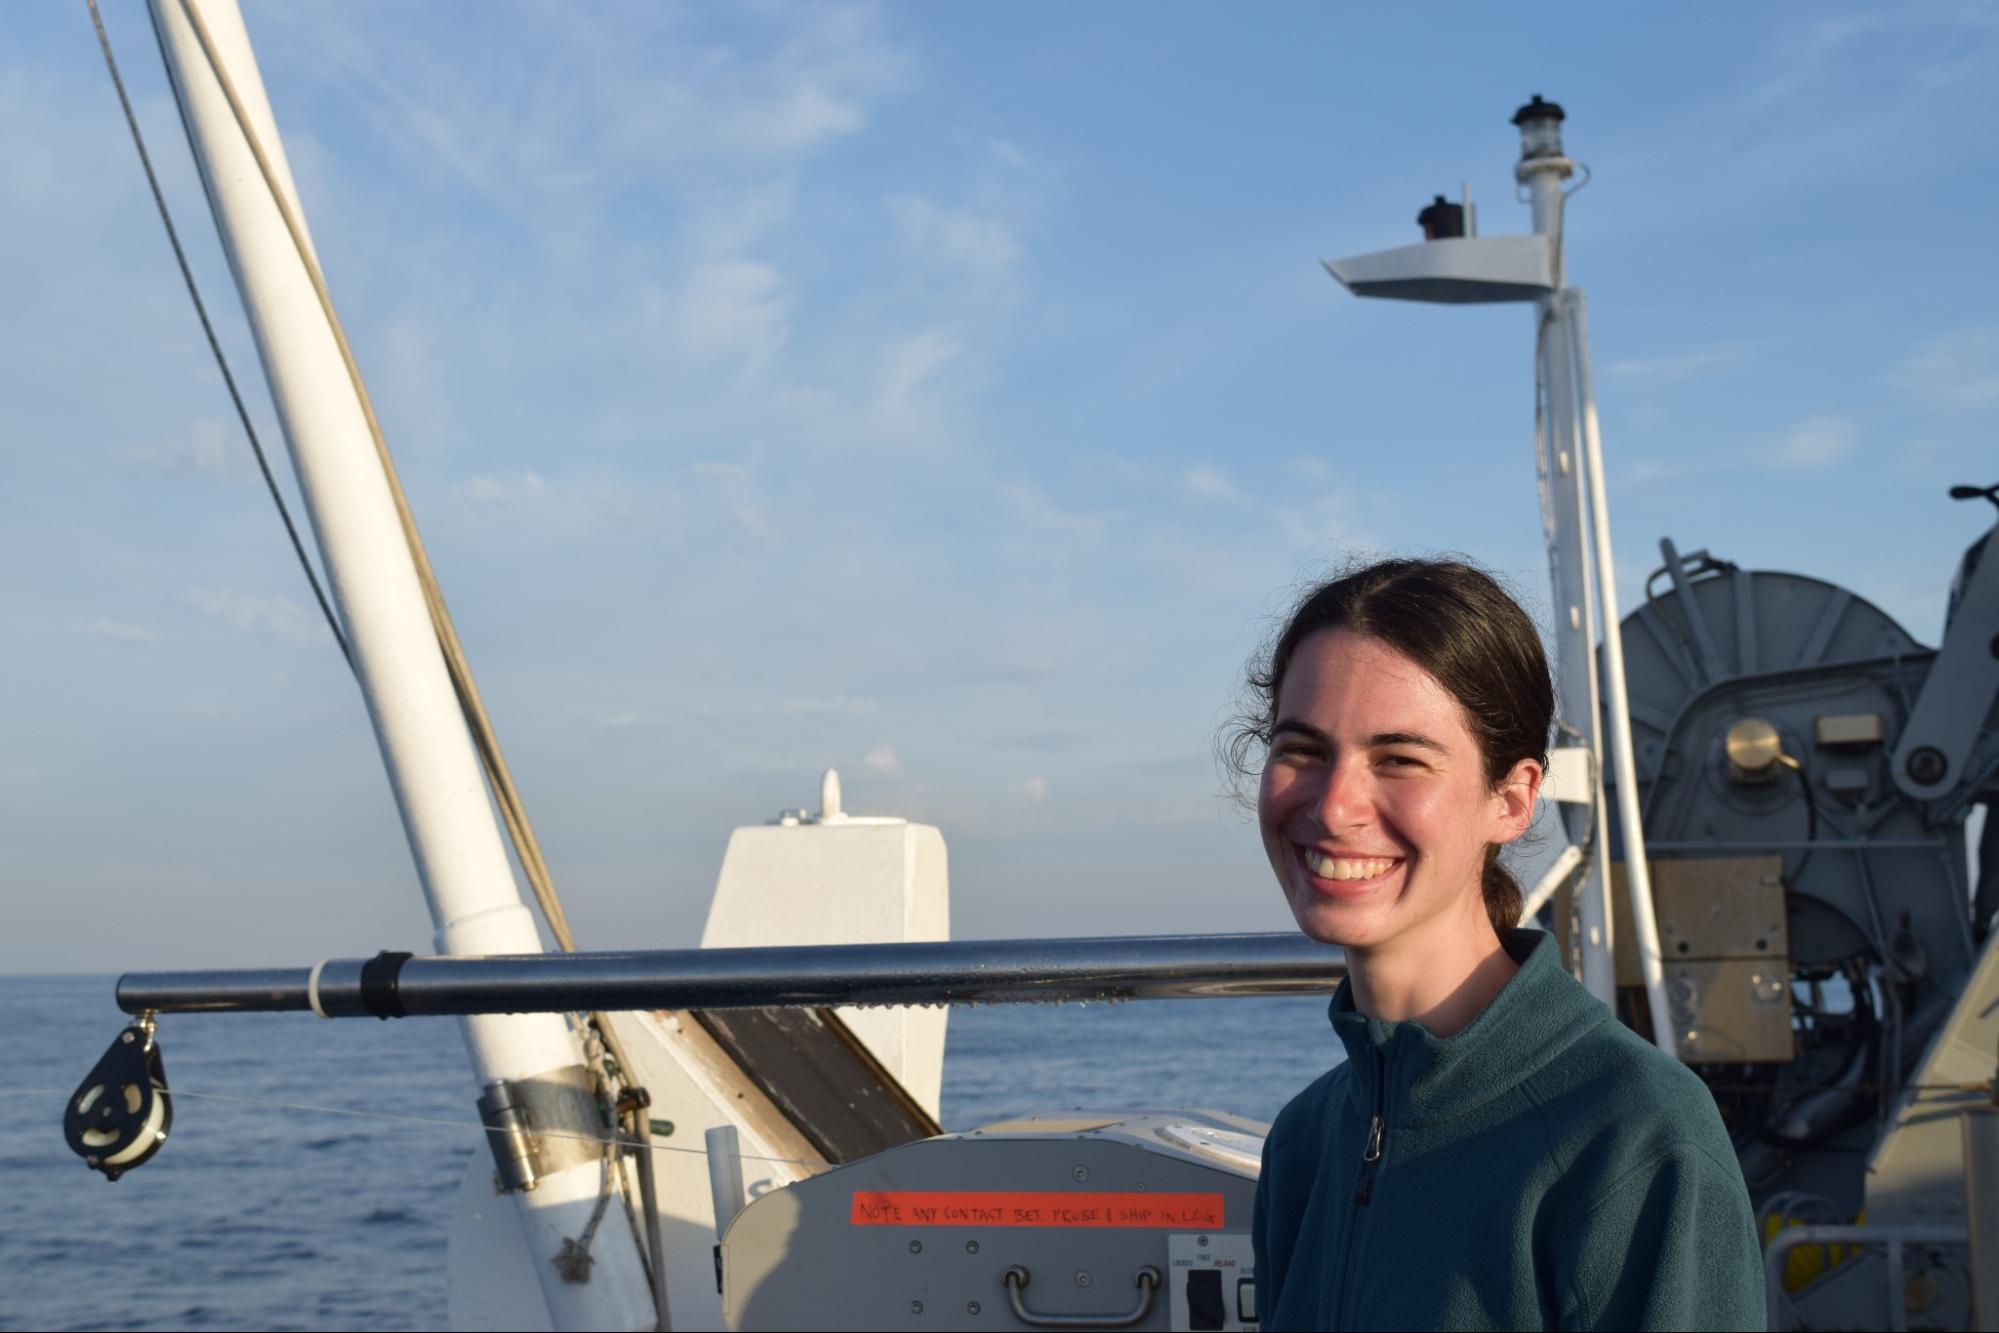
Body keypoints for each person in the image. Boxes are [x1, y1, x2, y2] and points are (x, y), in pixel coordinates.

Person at [1232, 557, 1765, 1331]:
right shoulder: (1306, 1143)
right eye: (1303, 750)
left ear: (1511, 800)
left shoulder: (1633, 1136)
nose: (1336, 804)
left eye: (1399, 759)